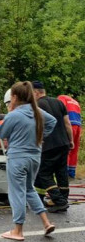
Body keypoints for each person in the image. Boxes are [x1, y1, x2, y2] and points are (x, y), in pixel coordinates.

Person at [0, 81, 57, 241]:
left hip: (18, 158)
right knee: (29, 189)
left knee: (17, 192)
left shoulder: (14, 114)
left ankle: (18, 230)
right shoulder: (36, 111)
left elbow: (1, 133)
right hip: (34, 157)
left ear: (14, 97)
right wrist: (41, 137)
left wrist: (9, 112)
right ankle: (46, 222)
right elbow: (53, 122)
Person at [32, 81, 73, 212]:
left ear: (36, 92)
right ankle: (60, 199)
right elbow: (67, 124)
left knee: (44, 173)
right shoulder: (59, 102)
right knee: (61, 172)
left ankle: (59, 201)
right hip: (63, 143)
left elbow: (35, 126)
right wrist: (70, 140)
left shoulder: (36, 106)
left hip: (48, 145)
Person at [58, 94, 81, 178]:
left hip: (70, 124)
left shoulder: (61, 98)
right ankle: (72, 173)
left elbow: (60, 109)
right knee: (74, 150)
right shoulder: (75, 102)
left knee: (66, 149)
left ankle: (65, 173)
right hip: (78, 125)